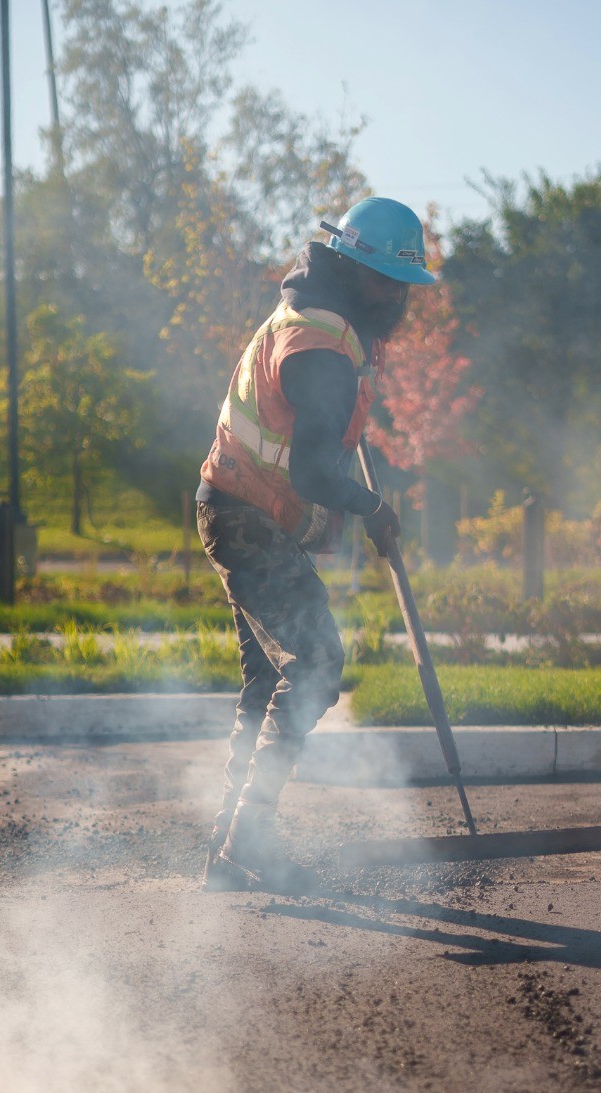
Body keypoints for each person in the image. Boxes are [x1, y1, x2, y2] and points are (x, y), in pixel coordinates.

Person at [196, 197, 438, 894]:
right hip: (248, 518)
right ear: (351, 266)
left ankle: (228, 851)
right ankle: (251, 837)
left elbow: (317, 440)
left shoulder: (316, 318)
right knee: (318, 662)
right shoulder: (323, 346)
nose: (396, 297)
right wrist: (371, 506)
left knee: (267, 681)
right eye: (386, 281)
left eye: (403, 285)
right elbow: (309, 473)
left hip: (239, 510)